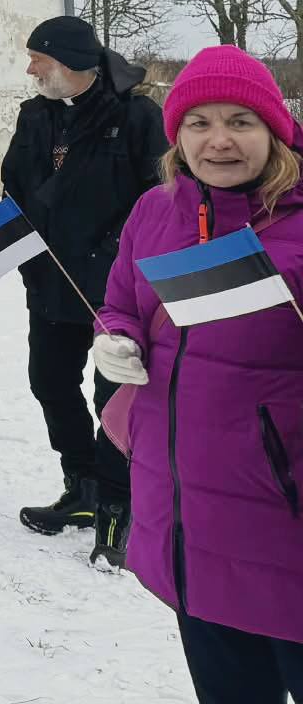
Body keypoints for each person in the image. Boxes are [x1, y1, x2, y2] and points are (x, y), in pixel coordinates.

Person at [92, 45, 303, 699]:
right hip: (188, 524)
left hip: (284, 530)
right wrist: (117, 336)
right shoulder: (156, 212)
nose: (219, 141)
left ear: (276, 130)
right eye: (199, 122)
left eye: (241, 121)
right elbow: (120, 301)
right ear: (177, 135)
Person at [1, 14, 169, 555]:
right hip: (50, 282)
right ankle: (83, 485)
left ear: (70, 63)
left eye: (38, 61)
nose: (30, 71)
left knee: (113, 399)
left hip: (114, 291)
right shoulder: (35, 117)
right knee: (48, 381)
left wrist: (111, 251)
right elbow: (15, 185)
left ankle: (123, 505)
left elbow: (161, 197)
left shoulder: (139, 116)